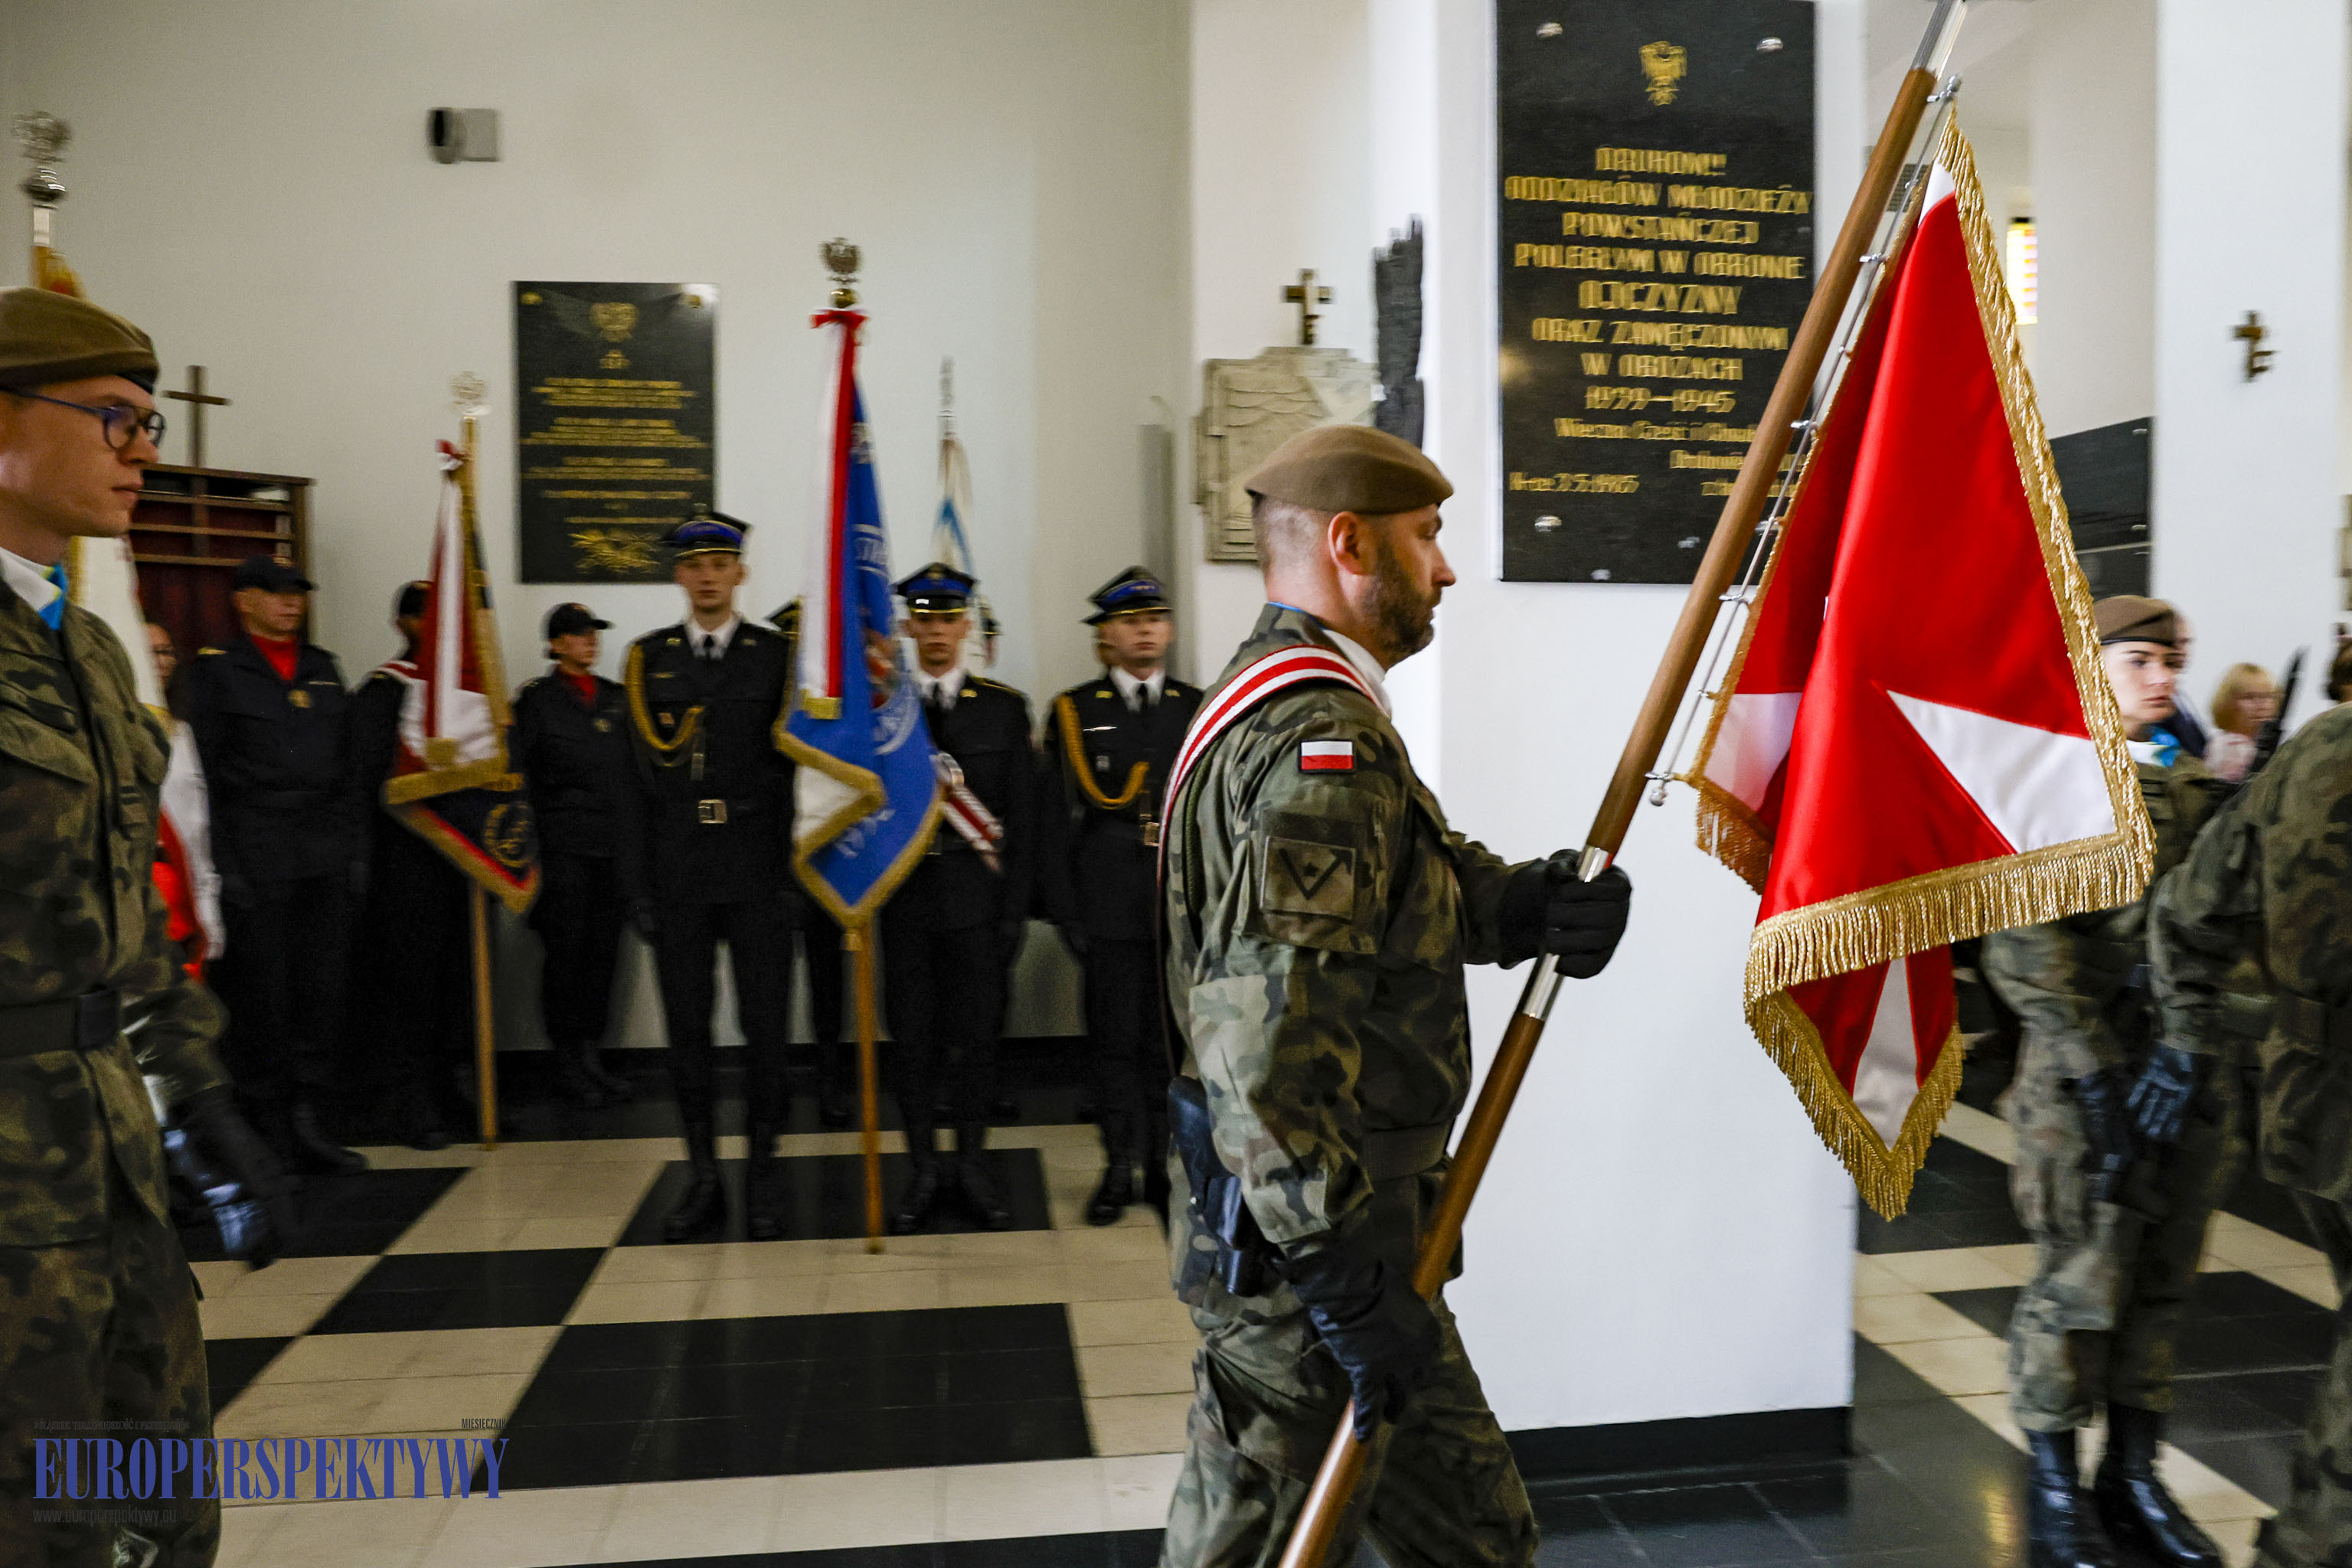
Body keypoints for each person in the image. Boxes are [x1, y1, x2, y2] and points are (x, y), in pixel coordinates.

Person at [1158, 423, 1632, 1566]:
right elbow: (1264, 1049)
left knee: (1467, 1537)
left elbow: (1397, 896)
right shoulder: (1321, 741)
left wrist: (1526, 904)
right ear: (1349, 543)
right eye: (1427, 536)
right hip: (1316, 1257)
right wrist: (1343, 1280)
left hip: (1321, 1236)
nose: (1448, 568)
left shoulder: (1283, 702)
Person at [0, 284, 293, 1566]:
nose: (144, 451)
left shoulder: (89, 648)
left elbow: (124, 910)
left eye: (149, 422)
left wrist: (197, 1093)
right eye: (114, 418)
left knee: (163, 1505)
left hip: (107, 1157)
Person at [1983, 595, 2252, 1568]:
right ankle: (2056, 1484)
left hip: (2186, 1072)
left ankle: (2133, 1474)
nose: (2164, 676)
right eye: (2138, 658)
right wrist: (2100, 1075)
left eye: (2172, 659)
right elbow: (2027, 948)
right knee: (2081, 1283)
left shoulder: (2193, 788)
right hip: (2084, 1077)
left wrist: (2193, 1043)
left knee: (2163, 1283)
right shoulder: (2049, 783)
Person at [2151, 700, 2352, 1568]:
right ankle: (2309, 1545)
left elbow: (2190, 906)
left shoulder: (2318, 745)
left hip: (2309, 1096)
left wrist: (2188, 1043)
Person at [619, 511, 801, 1240]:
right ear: (679, 575)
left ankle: (763, 1172)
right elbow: (631, 784)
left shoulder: (778, 657)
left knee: (766, 1028)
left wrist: (795, 875)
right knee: (687, 1030)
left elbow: (799, 775)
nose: (707, 577)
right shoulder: (647, 659)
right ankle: (702, 1174)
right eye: (694, 565)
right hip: (680, 866)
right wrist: (638, 886)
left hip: (759, 865)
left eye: (720, 564)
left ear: (740, 573)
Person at [186, 553, 368, 1176]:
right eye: (276, 592)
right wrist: (224, 868)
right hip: (257, 855)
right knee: (264, 1000)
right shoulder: (217, 672)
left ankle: (309, 1120)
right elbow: (204, 779)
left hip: (324, 855)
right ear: (244, 601)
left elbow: (349, 772)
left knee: (322, 993)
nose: (292, 602)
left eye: (298, 592)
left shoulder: (322, 668)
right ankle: (266, 1128)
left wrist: (352, 851)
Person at [1040, 566, 1201, 1225]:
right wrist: (1065, 910)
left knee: (1167, 1048)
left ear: (1169, 630)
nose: (1145, 632)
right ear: (1107, 634)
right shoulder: (1076, 711)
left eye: (1155, 620)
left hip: (1175, 903)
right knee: (1111, 1045)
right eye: (1131, 622)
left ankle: (1162, 1170)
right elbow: (1055, 821)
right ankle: (1116, 1169)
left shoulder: (1197, 706)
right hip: (1105, 900)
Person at [881, 562, 1036, 1233]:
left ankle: (972, 1162)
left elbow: (1023, 818)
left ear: (966, 625)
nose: (939, 631)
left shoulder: (1003, 708)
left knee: (979, 1040)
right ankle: (922, 1167)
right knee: (912, 1041)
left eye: (949, 618)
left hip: (978, 903)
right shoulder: (884, 713)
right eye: (926, 619)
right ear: (908, 627)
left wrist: (1014, 911)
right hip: (905, 902)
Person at [345, 582, 477, 1149]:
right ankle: (411, 1099)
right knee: (410, 987)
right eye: (428, 618)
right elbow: (364, 781)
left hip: (461, 860)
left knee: (457, 983)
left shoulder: (469, 696)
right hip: (404, 863)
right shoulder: (385, 690)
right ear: (404, 623)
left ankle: (451, 1088)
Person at [513, 601, 635, 1111]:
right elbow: (521, 776)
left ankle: (592, 1054)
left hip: (611, 847)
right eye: (580, 634)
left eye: (594, 633)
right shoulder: (536, 702)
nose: (591, 641)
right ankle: (566, 1059)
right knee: (566, 957)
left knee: (604, 956)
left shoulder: (616, 698)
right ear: (557, 644)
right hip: (562, 848)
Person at [2203, 662, 2280, 785]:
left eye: (2267, 697)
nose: (2261, 705)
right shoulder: (2230, 745)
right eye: (2249, 697)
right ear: (2228, 704)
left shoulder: (2266, 746)